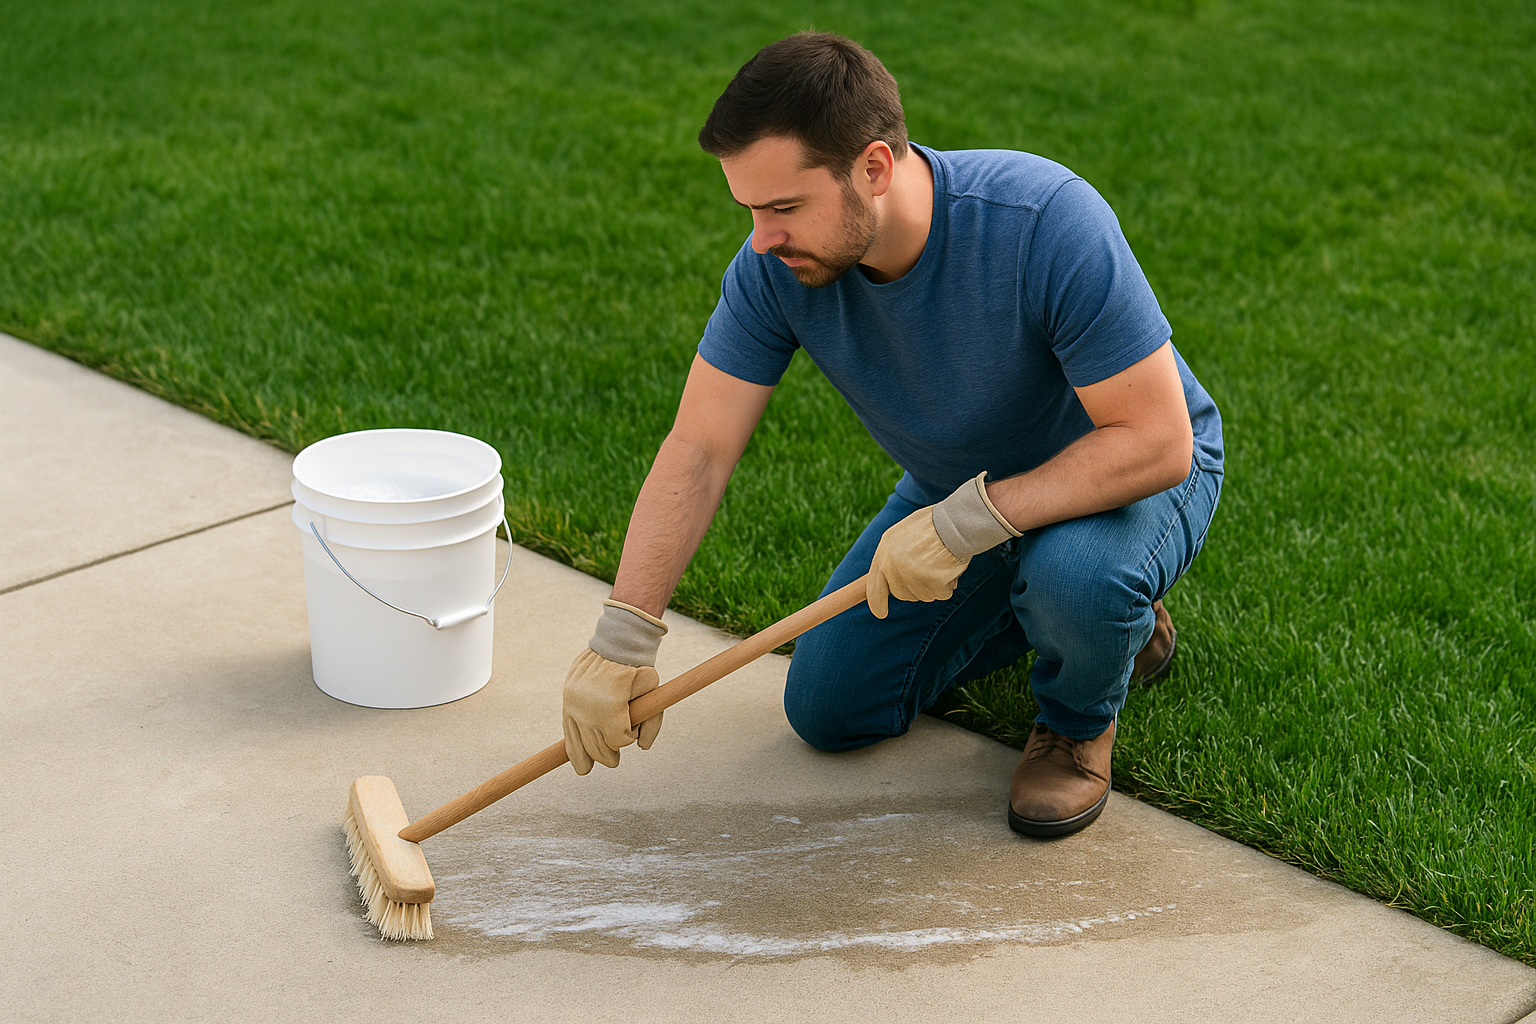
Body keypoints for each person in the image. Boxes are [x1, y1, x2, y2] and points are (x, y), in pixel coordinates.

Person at [559, 32, 1223, 838]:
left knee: (1074, 581)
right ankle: (1098, 615)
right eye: (750, 210)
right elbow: (698, 450)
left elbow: (1156, 441)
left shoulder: (1043, 219)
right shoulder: (775, 268)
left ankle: (1077, 721)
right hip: (963, 485)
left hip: (1127, 474)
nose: (762, 238)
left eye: (782, 207)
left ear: (873, 168)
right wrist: (623, 633)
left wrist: (964, 525)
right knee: (829, 708)